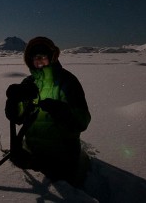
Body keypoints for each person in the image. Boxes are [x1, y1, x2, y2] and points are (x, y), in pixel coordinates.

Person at [5, 36, 91, 186]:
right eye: (34, 58)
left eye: (43, 57)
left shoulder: (67, 82)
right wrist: (13, 101)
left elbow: (82, 120)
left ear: (52, 57)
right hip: (32, 151)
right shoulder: (29, 83)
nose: (39, 62)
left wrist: (60, 110)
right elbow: (17, 117)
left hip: (62, 154)